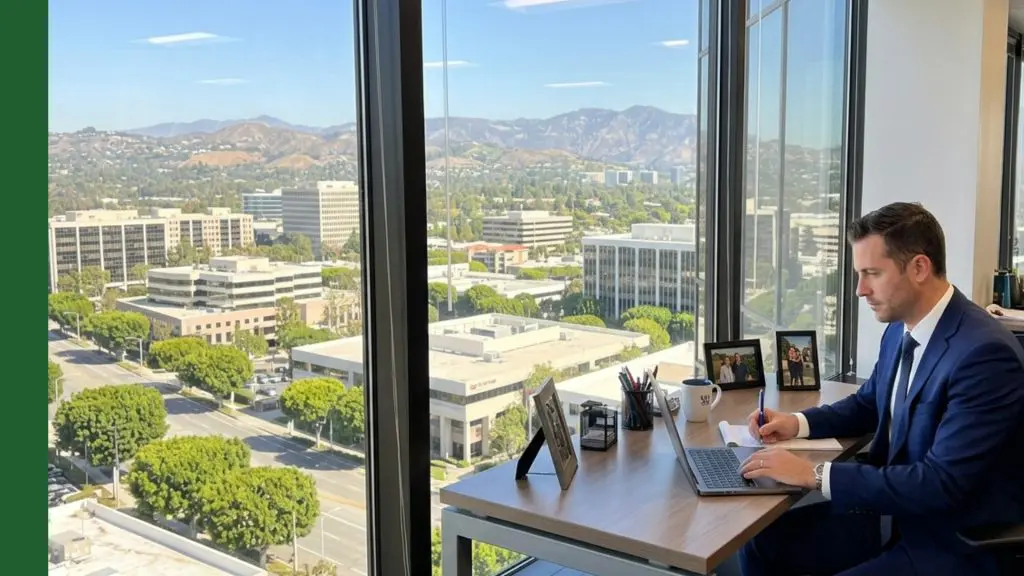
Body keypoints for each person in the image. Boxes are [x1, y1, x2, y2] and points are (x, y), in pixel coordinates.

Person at [738, 202, 1024, 575]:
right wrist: (796, 423)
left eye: (872, 273)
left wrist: (816, 474)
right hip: (893, 516)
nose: (860, 290)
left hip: (949, 541)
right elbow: (869, 403)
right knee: (763, 544)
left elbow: (941, 483)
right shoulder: (900, 327)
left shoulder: (984, 354)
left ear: (919, 267)